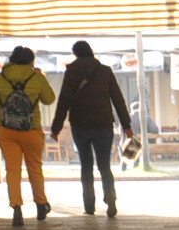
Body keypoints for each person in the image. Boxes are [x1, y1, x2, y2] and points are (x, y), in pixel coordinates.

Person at [51, 40, 135, 216]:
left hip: (80, 124)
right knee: (104, 164)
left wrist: (56, 128)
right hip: (103, 123)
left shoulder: (72, 72)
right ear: (91, 52)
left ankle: (89, 205)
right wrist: (126, 125)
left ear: (75, 54)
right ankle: (110, 197)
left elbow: (64, 101)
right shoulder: (105, 71)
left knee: (86, 164)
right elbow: (118, 99)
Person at [0, 45, 54, 227]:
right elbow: (49, 99)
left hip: (7, 131)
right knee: (35, 167)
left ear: (12, 60)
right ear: (31, 61)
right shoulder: (36, 77)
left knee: (12, 170)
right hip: (32, 130)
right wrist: (41, 77)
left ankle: (16, 208)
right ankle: (41, 203)